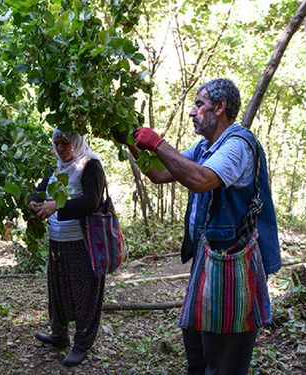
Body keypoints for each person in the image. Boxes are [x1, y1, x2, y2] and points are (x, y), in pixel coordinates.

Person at [120, 78, 281, 374]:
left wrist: (158, 142)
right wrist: (130, 141)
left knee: (225, 359)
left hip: (234, 267)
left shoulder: (238, 146)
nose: (192, 112)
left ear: (219, 108)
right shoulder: (205, 146)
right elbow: (159, 173)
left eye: (199, 105)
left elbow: (201, 180)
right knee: (198, 350)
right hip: (208, 263)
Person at [30, 129, 106, 368]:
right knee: (58, 290)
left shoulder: (90, 165)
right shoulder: (55, 167)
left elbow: (92, 201)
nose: (62, 148)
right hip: (58, 241)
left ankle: (82, 344)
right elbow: (40, 189)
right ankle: (60, 335)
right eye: (57, 143)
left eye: (66, 143)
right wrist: (34, 200)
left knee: (85, 295)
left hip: (82, 242)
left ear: (78, 141)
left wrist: (56, 207)